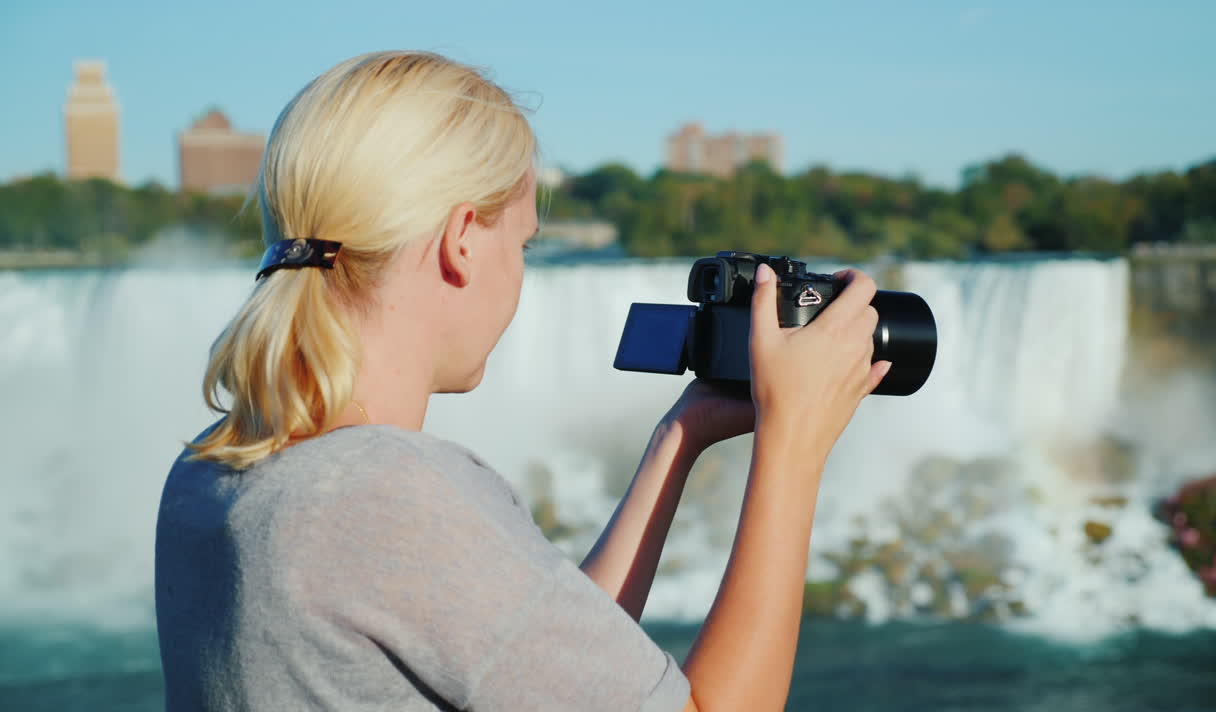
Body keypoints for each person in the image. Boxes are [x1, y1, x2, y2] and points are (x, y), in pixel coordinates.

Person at [154, 50, 890, 712]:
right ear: (462, 240)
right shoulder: (382, 490)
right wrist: (794, 445)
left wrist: (680, 437)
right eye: (524, 241)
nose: (521, 273)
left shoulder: (214, 470)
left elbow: (539, 669)